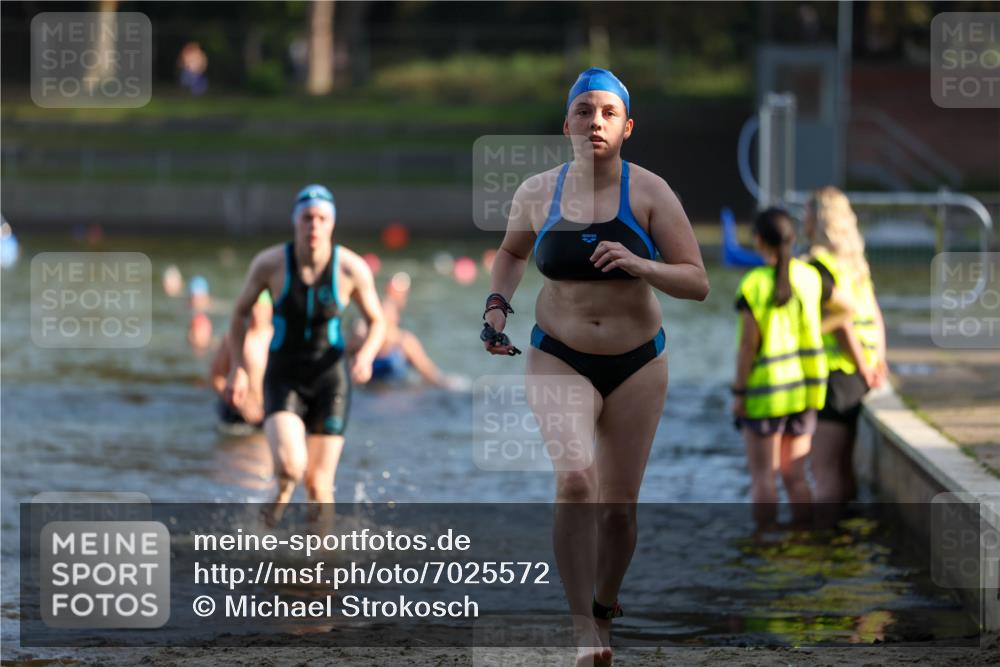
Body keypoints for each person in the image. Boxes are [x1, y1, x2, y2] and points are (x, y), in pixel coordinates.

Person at [482, 68, 709, 667]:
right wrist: (496, 308)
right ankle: (582, 625)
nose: (595, 122)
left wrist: (642, 264)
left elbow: (698, 282)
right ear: (567, 124)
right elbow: (510, 253)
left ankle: (606, 607)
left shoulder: (651, 193)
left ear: (627, 127)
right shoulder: (537, 192)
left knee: (618, 508)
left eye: (608, 113)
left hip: (638, 363)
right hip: (558, 353)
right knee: (576, 479)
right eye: (584, 111)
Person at [225, 184, 385, 526]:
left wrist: (368, 355)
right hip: (284, 377)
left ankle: (321, 564)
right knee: (290, 469)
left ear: (331, 224)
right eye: (307, 218)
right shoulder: (270, 264)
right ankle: (266, 527)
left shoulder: (351, 269)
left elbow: (377, 321)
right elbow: (239, 313)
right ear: (296, 222)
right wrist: (238, 367)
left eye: (321, 219)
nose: (314, 226)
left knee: (318, 483)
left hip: (331, 381)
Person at [731, 208, 829, 530]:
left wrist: (739, 392)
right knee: (796, 475)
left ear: (759, 241)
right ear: (793, 238)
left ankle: (766, 544)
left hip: (765, 394)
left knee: (764, 478)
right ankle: (804, 539)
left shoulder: (754, 284)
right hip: (804, 391)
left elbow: (748, 346)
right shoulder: (810, 278)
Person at [804, 187, 887, 504]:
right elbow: (875, 315)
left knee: (821, 467)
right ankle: (846, 535)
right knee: (843, 466)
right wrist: (877, 361)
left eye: (807, 212)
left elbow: (842, 322)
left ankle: (824, 541)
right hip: (859, 372)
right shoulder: (855, 263)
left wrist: (864, 367)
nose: (803, 218)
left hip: (836, 372)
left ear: (819, 218)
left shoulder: (818, 264)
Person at [211, 290, 274, 434]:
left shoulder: (278, 339)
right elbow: (216, 378)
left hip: (267, 412)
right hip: (238, 416)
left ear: (270, 309)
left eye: (260, 307)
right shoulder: (233, 339)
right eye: (253, 307)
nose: (256, 312)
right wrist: (241, 404)